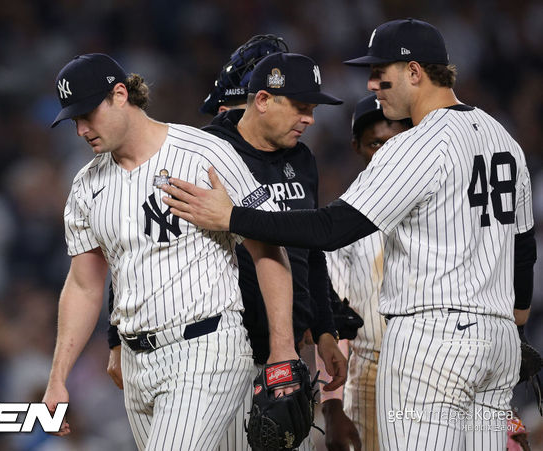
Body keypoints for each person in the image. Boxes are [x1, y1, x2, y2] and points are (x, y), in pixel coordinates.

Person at [160, 19, 537, 451]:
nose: (373, 84)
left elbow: (330, 229)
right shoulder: (501, 136)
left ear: (415, 72)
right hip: (498, 344)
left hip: (433, 348)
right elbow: (523, 249)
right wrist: (516, 319)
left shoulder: (417, 144)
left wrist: (233, 216)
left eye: (382, 73)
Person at [41, 53, 300, 451]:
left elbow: (268, 248)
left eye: (87, 114)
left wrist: (283, 349)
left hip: (206, 346)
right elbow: (83, 285)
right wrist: (58, 376)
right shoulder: (86, 186)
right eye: (73, 120)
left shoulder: (202, 153)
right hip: (136, 365)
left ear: (120, 94)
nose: (80, 130)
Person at [108, 38, 349, 451]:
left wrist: (325, 329)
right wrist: (115, 338)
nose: (310, 120)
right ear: (260, 99)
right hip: (223, 351)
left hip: (286, 352)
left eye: (312, 109)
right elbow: (142, 243)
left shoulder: (302, 159)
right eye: (301, 108)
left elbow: (309, 248)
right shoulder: (202, 152)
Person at [321, 94, 411, 451]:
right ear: (357, 146)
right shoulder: (342, 219)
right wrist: (332, 407)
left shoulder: (444, 204)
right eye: (375, 143)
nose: (386, 152)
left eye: (395, 140)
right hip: (369, 372)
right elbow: (333, 322)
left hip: (436, 363)